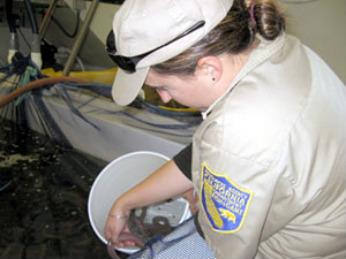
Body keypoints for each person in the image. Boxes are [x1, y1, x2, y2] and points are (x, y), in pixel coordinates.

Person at [104, 0, 346, 258]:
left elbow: (227, 248)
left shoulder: (237, 133)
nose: (163, 98)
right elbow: (205, 153)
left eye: (164, 88)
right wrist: (124, 203)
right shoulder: (271, 45)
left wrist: (207, 205)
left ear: (209, 69)